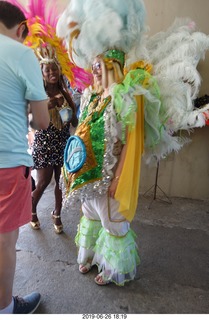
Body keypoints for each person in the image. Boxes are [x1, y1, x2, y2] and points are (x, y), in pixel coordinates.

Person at [0, 1, 49, 314]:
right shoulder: (20, 54)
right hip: (6, 164)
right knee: (4, 243)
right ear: (21, 29)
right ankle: (5, 308)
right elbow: (43, 122)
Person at [30, 55, 78, 234]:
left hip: (63, 143)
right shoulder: (38, 95)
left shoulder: (66, 93)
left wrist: (66, 110)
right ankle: (31, 209)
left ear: (59, 71)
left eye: (54, 69)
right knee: (43, 182)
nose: (52, 72)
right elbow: (33, 124)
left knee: (61, 182)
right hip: (44, 143)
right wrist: (47, 107)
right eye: (47, 70)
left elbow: (74, 122)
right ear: (42, 74)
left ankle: (57, 214)